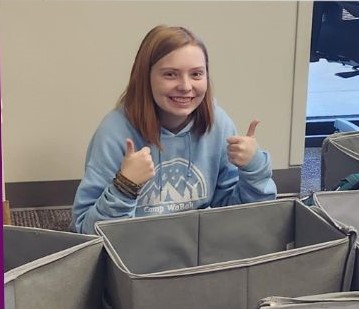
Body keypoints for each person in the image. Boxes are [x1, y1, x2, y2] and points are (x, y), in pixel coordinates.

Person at [71, 25, 276, 234]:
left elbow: (243, 218)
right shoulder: (114, 133)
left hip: (196, 251)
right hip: (134, 255)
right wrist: (125, 187)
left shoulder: (218, 124)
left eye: (196, 74)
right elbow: (85, 231)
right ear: (145, 77)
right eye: (170, 74)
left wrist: (255, 168)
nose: (186, 86)